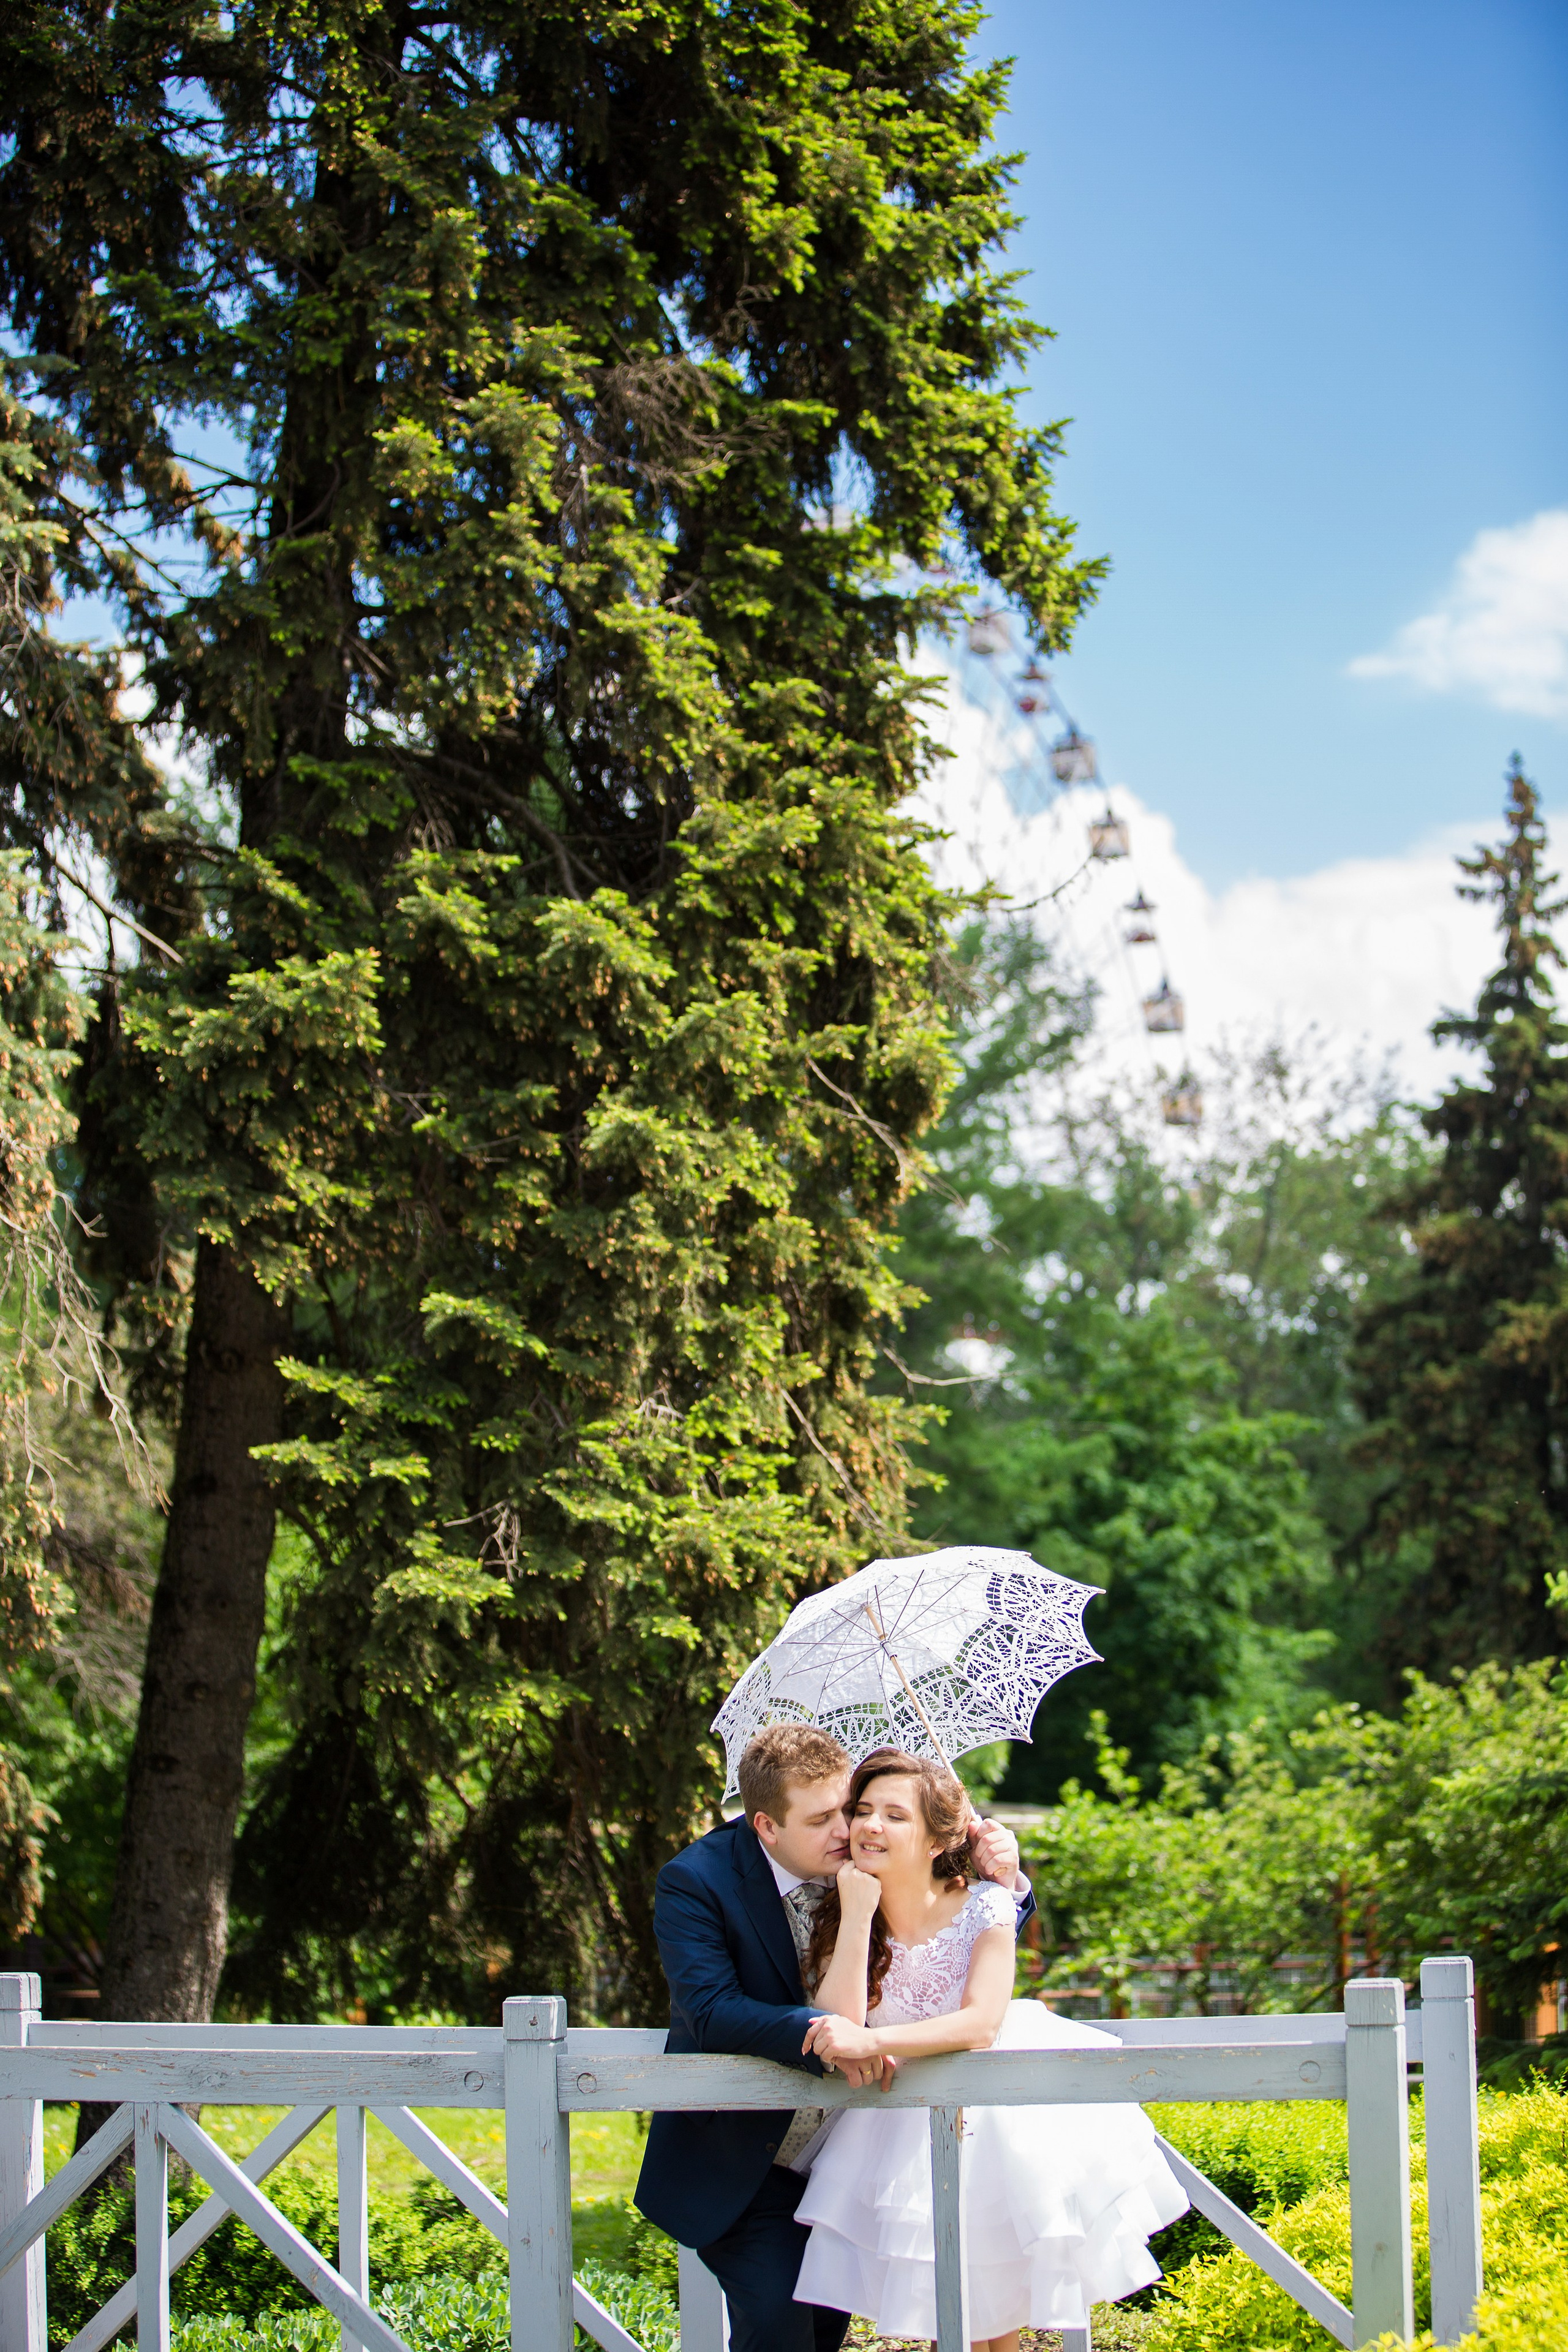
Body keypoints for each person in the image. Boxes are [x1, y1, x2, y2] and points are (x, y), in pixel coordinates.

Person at [635, 1724, 1036, 2352]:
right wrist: (832, 2034)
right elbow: (711, 2010)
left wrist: (1007, 1880)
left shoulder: (856, 1859)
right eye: (823, 1819)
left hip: (848, 2155)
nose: (848, 1830)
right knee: (779, 2324)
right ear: (767, 1827)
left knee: (836, 2329)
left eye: (846, 1809)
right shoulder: (697, 1880)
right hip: (749, 2160)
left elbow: (944, 1929)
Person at [792, 1749, 1189, 2351]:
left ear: (936, 1840)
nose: (870, 1826)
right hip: (898, 2132)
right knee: (944, 2319)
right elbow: (837, 2028)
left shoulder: (986, 1903)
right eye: (864, 1810)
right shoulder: (840, 1912)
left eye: (895, 1816)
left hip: (995, 2123)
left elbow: (980, 2023)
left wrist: (874, 2040)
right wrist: (856, 1915)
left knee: (995, 2322)